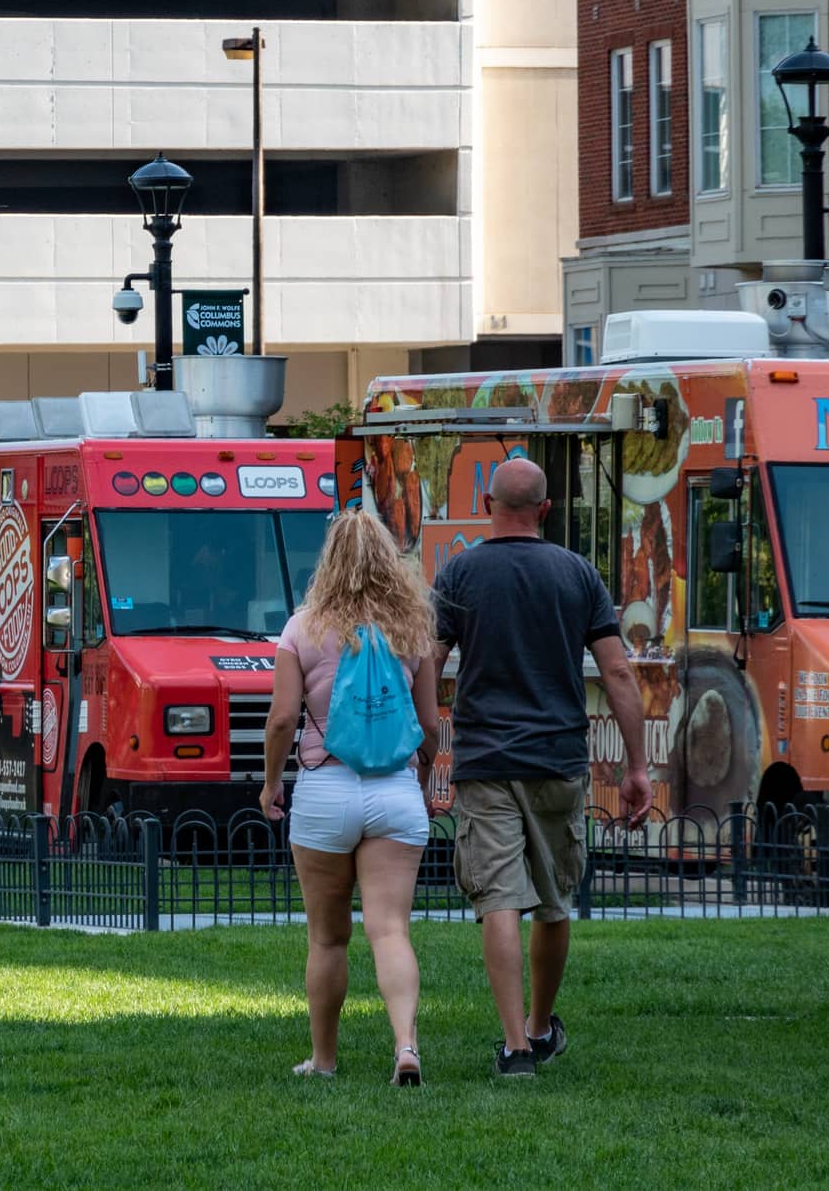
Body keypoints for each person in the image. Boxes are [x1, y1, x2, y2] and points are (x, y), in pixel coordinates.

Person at [433, 457, 652, 1078]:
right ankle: (540, 1025)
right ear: (546, 510)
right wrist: (637, 766)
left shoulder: (459, 573)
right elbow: (616, 672)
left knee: (499, 900)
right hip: (559, 760)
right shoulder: (578, 574)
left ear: (486, 501)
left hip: (485, 761)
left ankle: (515, 1049)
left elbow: (426, 661)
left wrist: (428, 746)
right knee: (554, 901)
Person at [261, 508, 441, 1085]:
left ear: (329, 561)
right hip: (394, 789)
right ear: (390, 561)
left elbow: (284, 718)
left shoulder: (302, 628)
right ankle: (406, 1045)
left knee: (327, 936)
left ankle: (325, 1059)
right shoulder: (413, 629)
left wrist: (270, 785)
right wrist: (423, 776)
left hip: (324, 790)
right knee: (390, 929)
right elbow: (431, 725)